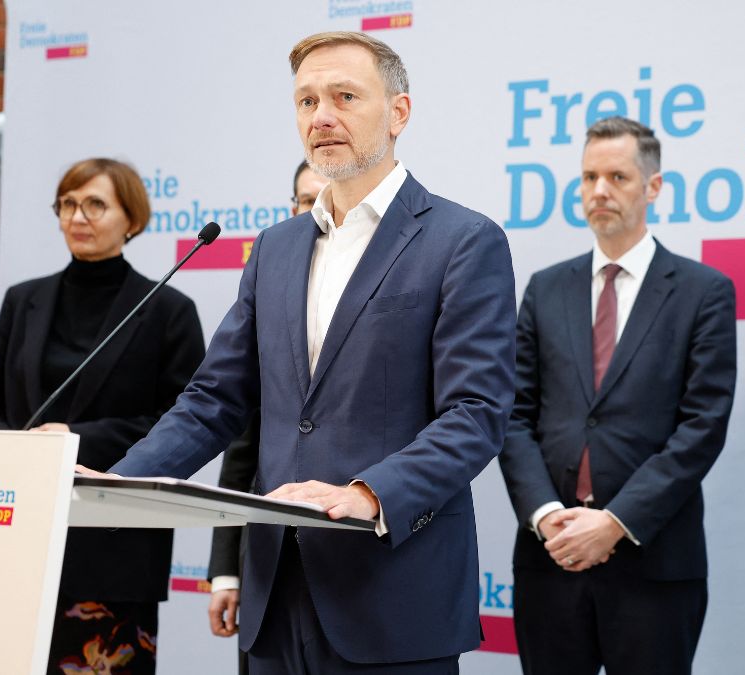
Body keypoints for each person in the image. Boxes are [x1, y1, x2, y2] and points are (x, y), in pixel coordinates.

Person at [108, 31, 516, 674]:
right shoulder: (274, 248)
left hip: (391, 591)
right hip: (274, 593)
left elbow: (476, 413)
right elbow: (215, 398)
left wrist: (370, 493)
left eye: (345, 97)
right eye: (306, 101)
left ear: (399, 113)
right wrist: (117, 484)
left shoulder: (464, 240)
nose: (321, 116)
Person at [499, 116, 737, 675]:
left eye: (617, 177)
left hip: (653, 564)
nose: (599, 191)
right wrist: (545, 515)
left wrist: (615, 522)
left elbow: (702, 427)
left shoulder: (703, 292)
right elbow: (513, 415)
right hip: (550, 558)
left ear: (653, 187)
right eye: (589, 177)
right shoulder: (545, 288)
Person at [0, 157, 206, 674]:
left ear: (132, 219)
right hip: (18, 539)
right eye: (68, 204)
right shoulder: (22, 301)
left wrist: (75, 438)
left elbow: (182, 423)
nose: (78, 216)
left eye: (95, 204)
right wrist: (15, 448)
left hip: (114, 550)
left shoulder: (168, 311)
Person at [206, 161, 328, 674]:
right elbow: (242, 450)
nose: (316, 210)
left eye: (325, 197)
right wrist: (225, 571)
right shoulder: (272, 274)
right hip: (268, 573)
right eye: (306, 200)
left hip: (362, 564)